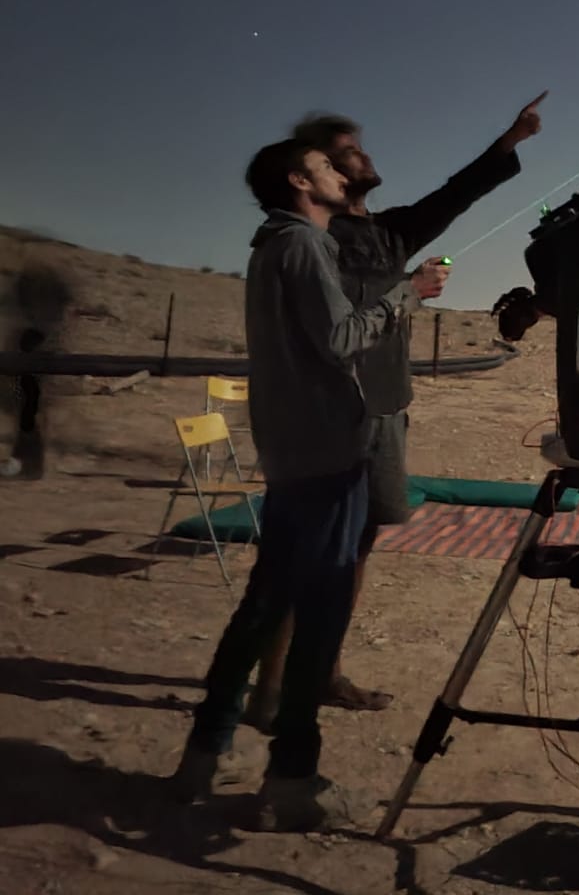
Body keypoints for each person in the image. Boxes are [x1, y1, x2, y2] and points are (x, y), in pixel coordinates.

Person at [169, 140, 449, 830]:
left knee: (264, 606)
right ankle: (291, 780)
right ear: (301, 181)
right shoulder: (302, 248)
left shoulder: (276, 247)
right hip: (325, 456)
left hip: (297, 454)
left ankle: (203, 756)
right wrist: (407, 294)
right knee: (317, 619)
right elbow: (343, 338)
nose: (340, 176)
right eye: (327, 167)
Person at [242, 94, 547, 724]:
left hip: (387, 411)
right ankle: (268, 690)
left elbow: (456, 193)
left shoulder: (391, 230)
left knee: (357, 549)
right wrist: (406, 293)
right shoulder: (314, 240)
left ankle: (323, 670)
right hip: (329, 419)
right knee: (307, 556)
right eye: (350, 151)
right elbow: (330, 333)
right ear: (319, 170)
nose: (366, 156)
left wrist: (509, 140)